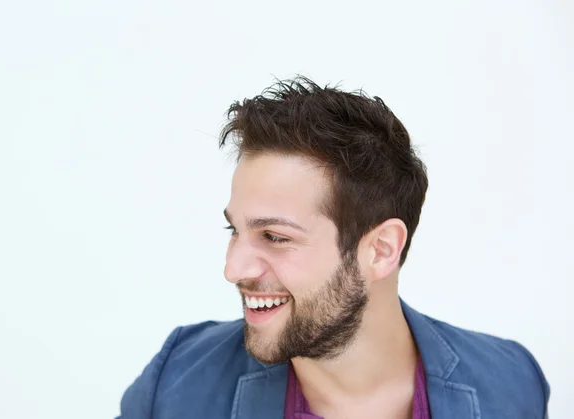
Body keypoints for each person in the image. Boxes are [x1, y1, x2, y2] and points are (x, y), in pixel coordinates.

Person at [116, 76, 550, 419]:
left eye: (275, 237)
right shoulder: (177, 382)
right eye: (235, 231)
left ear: (380, 250)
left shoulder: (511, 383)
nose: (234, 269)